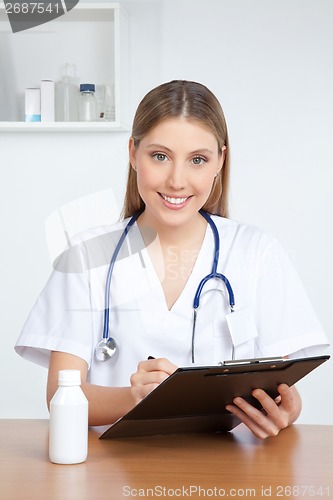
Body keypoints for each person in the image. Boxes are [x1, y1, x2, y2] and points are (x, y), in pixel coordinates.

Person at [15, 80, 329, 439]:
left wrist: (286, 411)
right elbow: (59, 393)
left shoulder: (257, 251)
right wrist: (134, 398)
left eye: (198, 160)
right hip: (108, 475)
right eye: (160, 156)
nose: (177, 180)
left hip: (224, 475)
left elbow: (287, 388)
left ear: (220, 161)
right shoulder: (87, 255)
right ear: (133, 153)